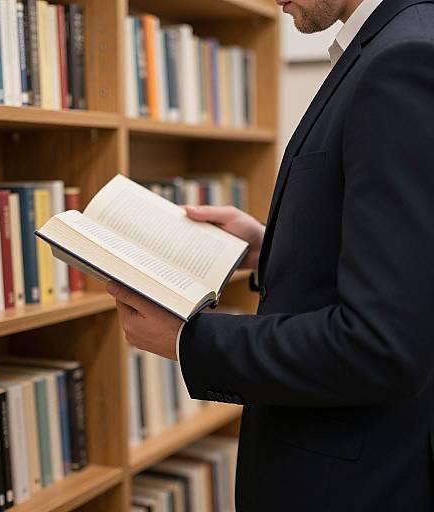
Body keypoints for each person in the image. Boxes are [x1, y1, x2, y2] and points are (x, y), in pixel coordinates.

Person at [107, 0, 434, 509]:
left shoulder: (403, 57)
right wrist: (271, 248)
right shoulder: (395, 41)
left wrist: (188, 340)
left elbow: (382, 345)